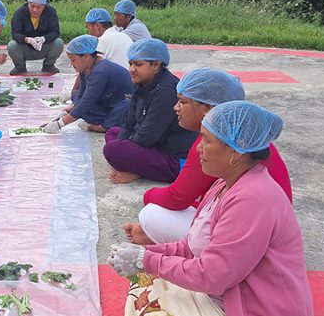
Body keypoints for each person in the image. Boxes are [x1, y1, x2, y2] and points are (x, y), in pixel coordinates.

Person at [105, 101, 313, 316]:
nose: (199, 149)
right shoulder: (225, 183)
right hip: (224, 294)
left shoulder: (253, 199)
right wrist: (145, 253)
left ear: (236, 152)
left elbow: (213, 275)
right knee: (146, 281)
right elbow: (193, 246)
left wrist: (146, 260)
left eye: (206, 141)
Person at [124, 68, 293, 245]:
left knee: (151, 214)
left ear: (207, 108)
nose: (175, 107)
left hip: (255, 236)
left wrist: (148, 195)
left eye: (182, 102)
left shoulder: (218, 146)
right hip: (264, 225)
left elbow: (177, 199)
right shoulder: (242, 136)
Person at [104, 38, 197, 184]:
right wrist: (125, 149)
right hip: (156, 143)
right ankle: (135, 166)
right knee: (112, 133)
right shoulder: (141, 83)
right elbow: (129, 123)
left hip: (173, 155)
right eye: (130, 64)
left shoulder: (166, 91)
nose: (132, 69)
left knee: (113, 149)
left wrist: (125, 152)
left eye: (138, 64)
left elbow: (147, 137)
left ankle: (138, 170)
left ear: (155, 65)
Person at [41, 35, 132, 134]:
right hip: (108, 103)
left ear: (86, 56)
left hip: (123, 105)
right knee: (76, 98)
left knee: (85, 108)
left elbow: (87, 102)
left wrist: (60, 124)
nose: (72, 64)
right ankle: (107, 121)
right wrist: (69, 110)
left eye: (73, 60)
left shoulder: (100, 71)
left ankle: (101, 127)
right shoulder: (85, 68)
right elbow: (81, 93)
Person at [7, 0, 64, 75]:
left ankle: (48, 66)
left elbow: (55, 31)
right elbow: (15, 33)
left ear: (44, 7)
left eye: (38, 7)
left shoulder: (51, 12)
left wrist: (43, 39)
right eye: (32, 6)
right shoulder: (19, 13)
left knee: (59, 43)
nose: (35, 10)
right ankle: (20, 67)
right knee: (12, 45)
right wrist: (28, 40)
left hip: (43, 46)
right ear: (28, 4)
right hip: (25, 47)